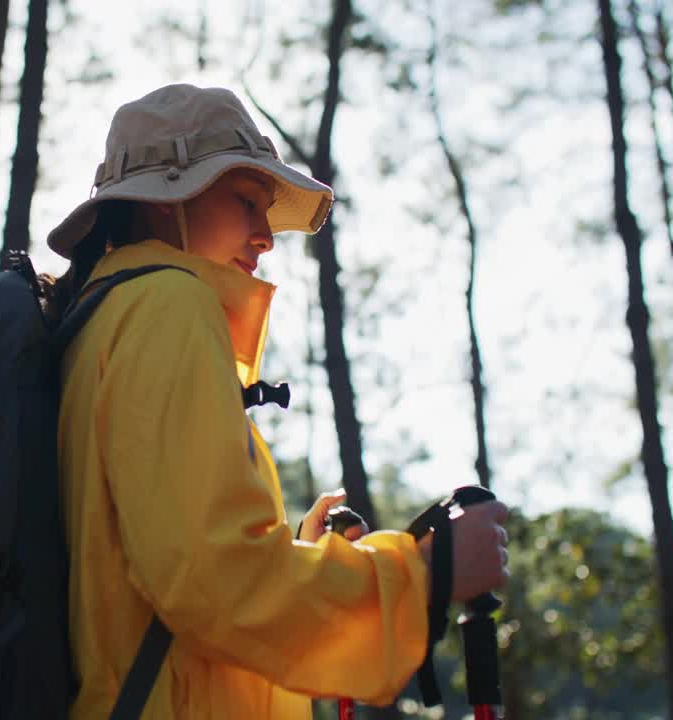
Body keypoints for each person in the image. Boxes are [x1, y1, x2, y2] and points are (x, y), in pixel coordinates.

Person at [44, 84, 510, 718]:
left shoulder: (99, 317)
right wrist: (424, 577)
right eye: (245, 202)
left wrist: (292, 554)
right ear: (162, 204)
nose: (266, 237)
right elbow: (212, 580)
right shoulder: (167, 307)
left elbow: (158, 575)